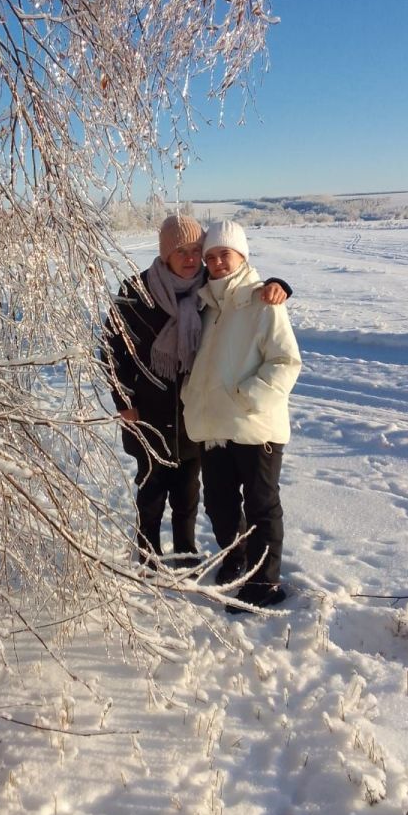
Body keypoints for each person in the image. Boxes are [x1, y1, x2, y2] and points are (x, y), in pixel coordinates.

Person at [102, 214, 291, 572]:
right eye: (181, 252)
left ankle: (187, 550)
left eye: (195, 251)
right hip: (149, 409)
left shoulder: (207, 290)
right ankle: (148, 553)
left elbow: (242, 282)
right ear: (165, 255)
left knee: (188, 490)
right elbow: (110, 349)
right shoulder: (136, 292)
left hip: (195, 411)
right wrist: (124, 401)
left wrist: (278, 284)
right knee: (152, 486)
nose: (191, 259)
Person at [181, 220, 302, 610]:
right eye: (210, 256)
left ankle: (264, 585)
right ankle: (236, 558)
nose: (216, 262)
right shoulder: (205, 305)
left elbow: (286, 361)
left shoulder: (263, 301)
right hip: (215, 425)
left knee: (261, 504)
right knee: (218, 504)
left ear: (242, 256)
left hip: (255, 425)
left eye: (225, 255)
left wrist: (247, 398)